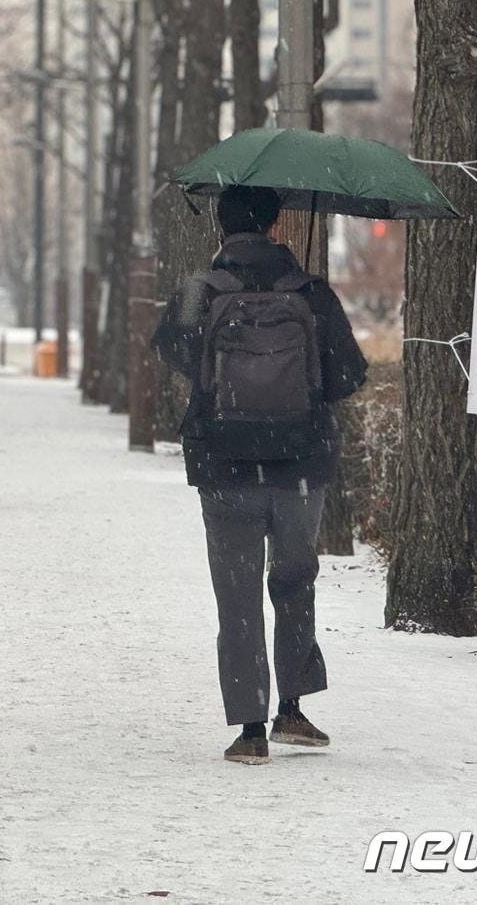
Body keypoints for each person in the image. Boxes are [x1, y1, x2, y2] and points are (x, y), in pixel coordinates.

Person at [153, 184, 367, 766]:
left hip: (224, 463)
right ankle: (292, 711)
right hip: (299, 461)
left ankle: (250, 729)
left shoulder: (201, 290)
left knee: (238, 593)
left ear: (221, 227)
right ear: (277, 225)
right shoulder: (311, 292)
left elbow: (174, 355)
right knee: (295, 582)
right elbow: (348, 375)